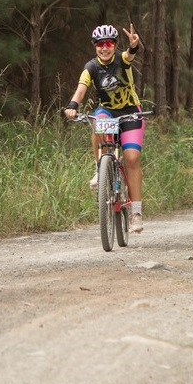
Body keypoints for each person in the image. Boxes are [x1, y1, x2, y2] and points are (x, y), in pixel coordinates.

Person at [64, 23, 146, 233]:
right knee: (97, 120)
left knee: (131, 158)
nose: (105, 47)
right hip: (108, 111)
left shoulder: (121, 60)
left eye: (109, 43)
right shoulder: (91, 67)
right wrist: (73, 105)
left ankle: (136, 212)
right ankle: (99, 168)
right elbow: (81, 88)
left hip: (130, 112)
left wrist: (134, 46)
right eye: (100, 44)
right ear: (95, 47)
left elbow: (130, 55)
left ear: (115, 45)